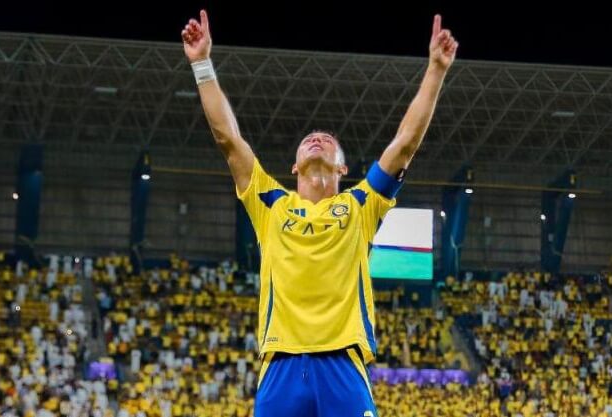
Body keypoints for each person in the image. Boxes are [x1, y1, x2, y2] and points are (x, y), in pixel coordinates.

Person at [181, 9, 457, 416]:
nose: (316, 140)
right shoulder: (270, 204)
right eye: (309, 139)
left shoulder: (361, 205)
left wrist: (435, 70)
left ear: (342, 167)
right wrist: (202, 64)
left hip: (342, 363)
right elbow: (228, 138)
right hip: (281, 365)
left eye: (326, 139)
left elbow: (403, 145)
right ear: (293, 167)